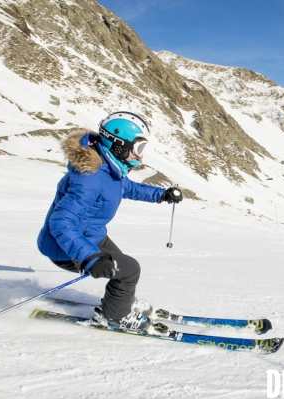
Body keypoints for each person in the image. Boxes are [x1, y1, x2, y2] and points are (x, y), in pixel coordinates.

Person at [37, 111, 183, 332]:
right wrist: (90, 258)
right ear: (118, 144)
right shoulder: (90, 178)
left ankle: (120, 302)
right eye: (138, 148)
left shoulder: (108, 167)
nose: (141, 156)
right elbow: (61, 222)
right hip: (65, 247)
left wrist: (161, 195)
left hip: (91, 235)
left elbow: (127, 187)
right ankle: (113, 317)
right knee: (130, 269)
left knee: (124, 267)